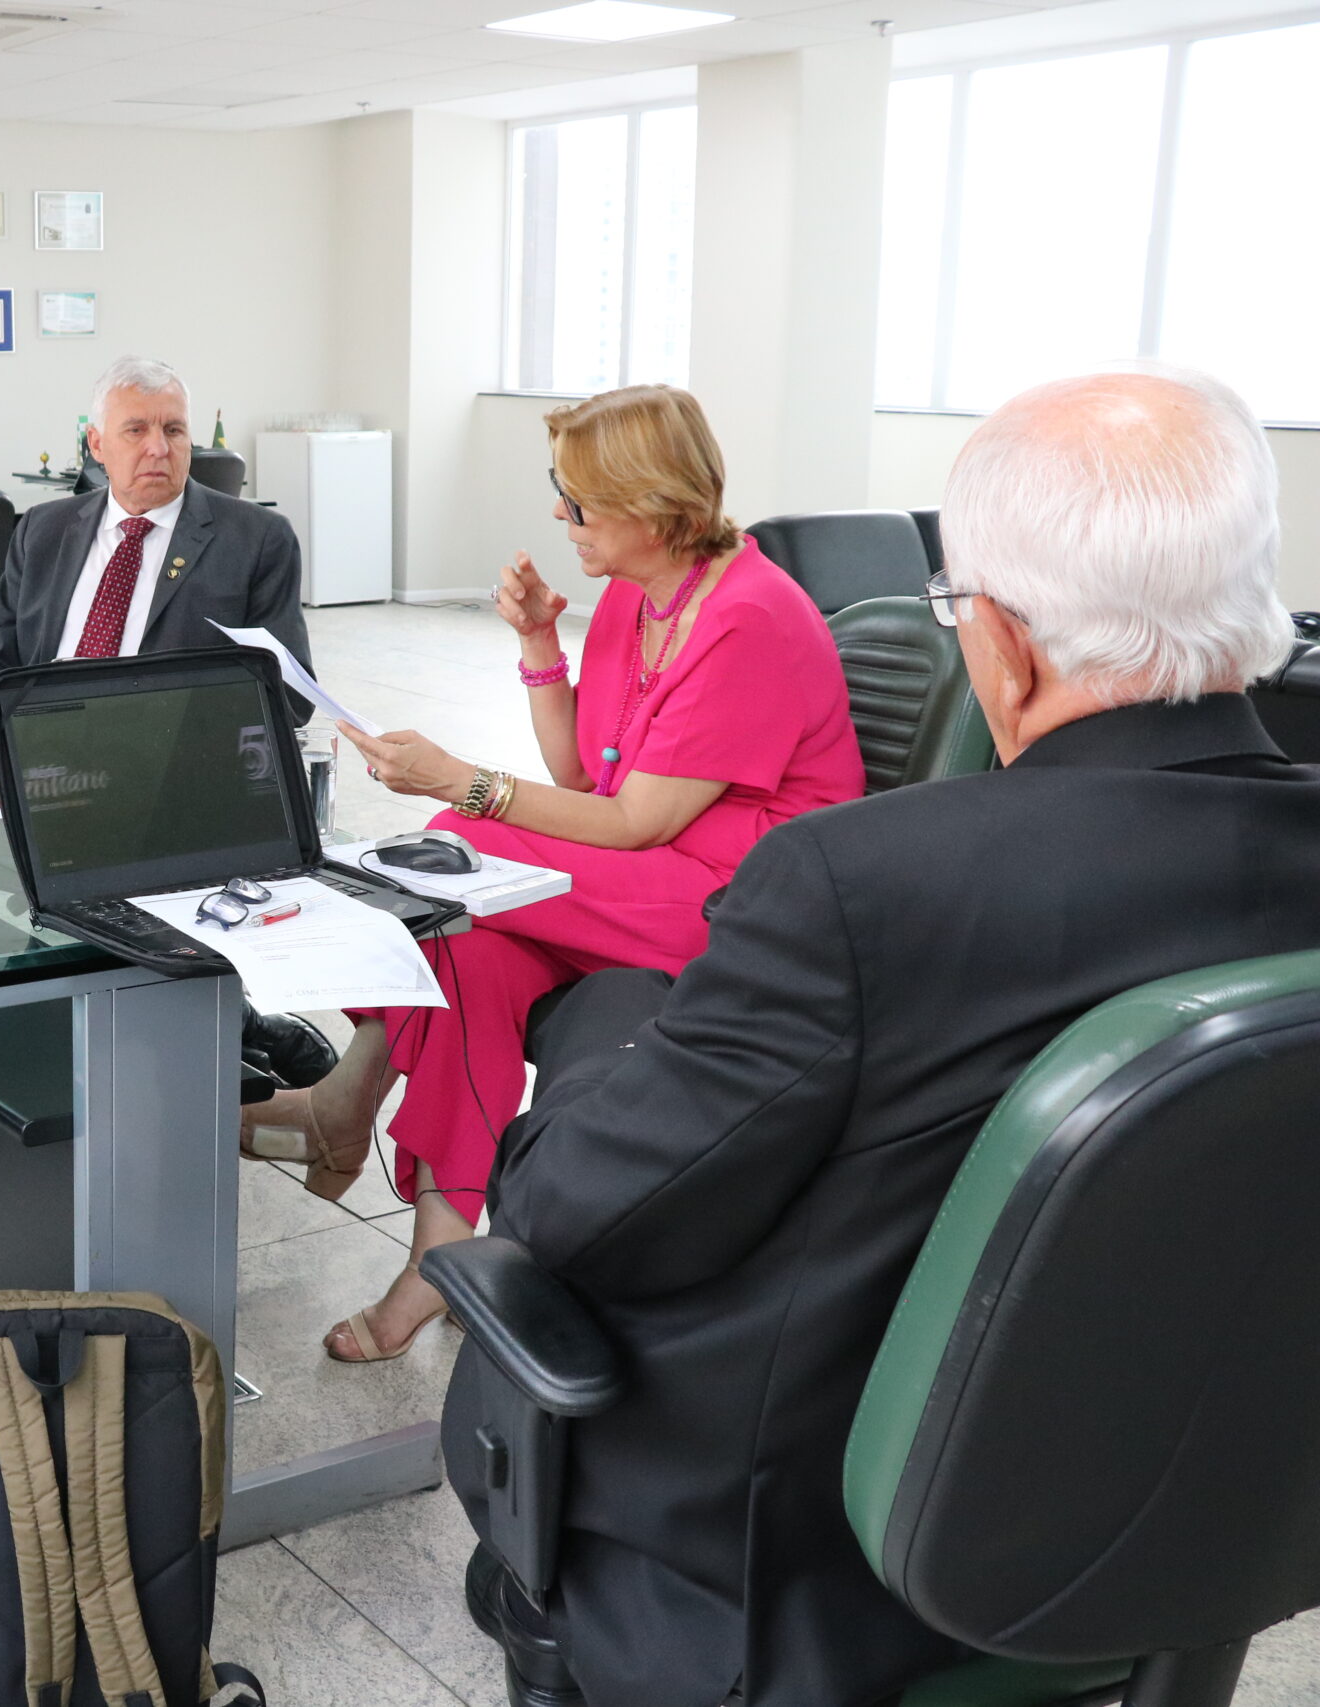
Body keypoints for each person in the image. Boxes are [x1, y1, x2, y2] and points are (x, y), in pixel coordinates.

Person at [465, 365, 1317, 1707]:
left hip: (801, 1576)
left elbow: (583, 1213)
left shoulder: (862, 890)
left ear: (1008, 645)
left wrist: (604, 1031)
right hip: (1226, 1514)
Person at [242, 384, 864, 1364]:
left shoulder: (747, 619)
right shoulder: (633, 595)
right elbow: (582, 773)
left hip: (746, 901)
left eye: (576, 501)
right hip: (654, 869)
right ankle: (433, 1263)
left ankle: (345, 1102)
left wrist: (462, 780)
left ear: (650, 503)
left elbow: (630, 821)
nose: (559, 517)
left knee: (451, 834)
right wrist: (539, 646)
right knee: (468, 949)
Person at [0, 356, 312, 686]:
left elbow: (290, 694)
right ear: (96, 445)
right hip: (42, 740)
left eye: (173, 430)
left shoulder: (257, 539)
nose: (158, 448)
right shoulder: (43, 530)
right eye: (136, 430)